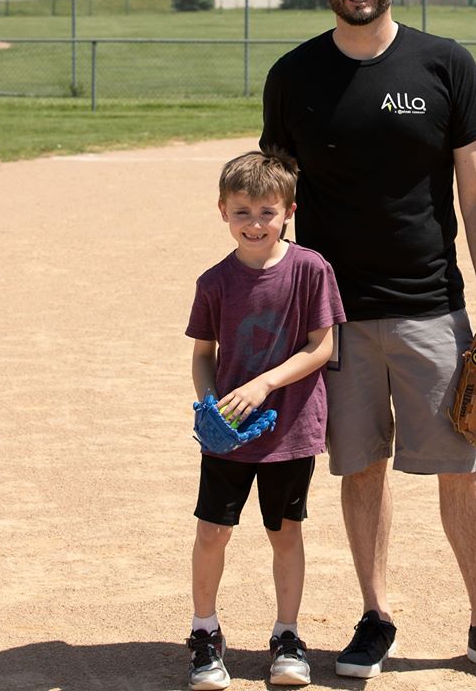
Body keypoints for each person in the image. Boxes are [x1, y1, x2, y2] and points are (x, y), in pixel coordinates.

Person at [260, 0, 476, 684]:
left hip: (431, 306)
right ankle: (375, 616)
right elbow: (277, 197)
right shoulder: (294, 76)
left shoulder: (444, 64)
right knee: (360, 468)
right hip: (333, 318)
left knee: (460, 463)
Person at [184, 149, 346, 689]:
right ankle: (205, 632)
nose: (255, 224)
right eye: (242, 212)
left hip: (291, 427)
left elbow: (322, 348)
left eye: (266, 212)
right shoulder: (214, 281)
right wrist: (209, 406)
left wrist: (265, 382)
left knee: (285, 532)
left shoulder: (310, 269)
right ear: (222, 212)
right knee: (212, 531)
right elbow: (203, 353)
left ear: (289, 211)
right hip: (228, 435)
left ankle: (287, 636)